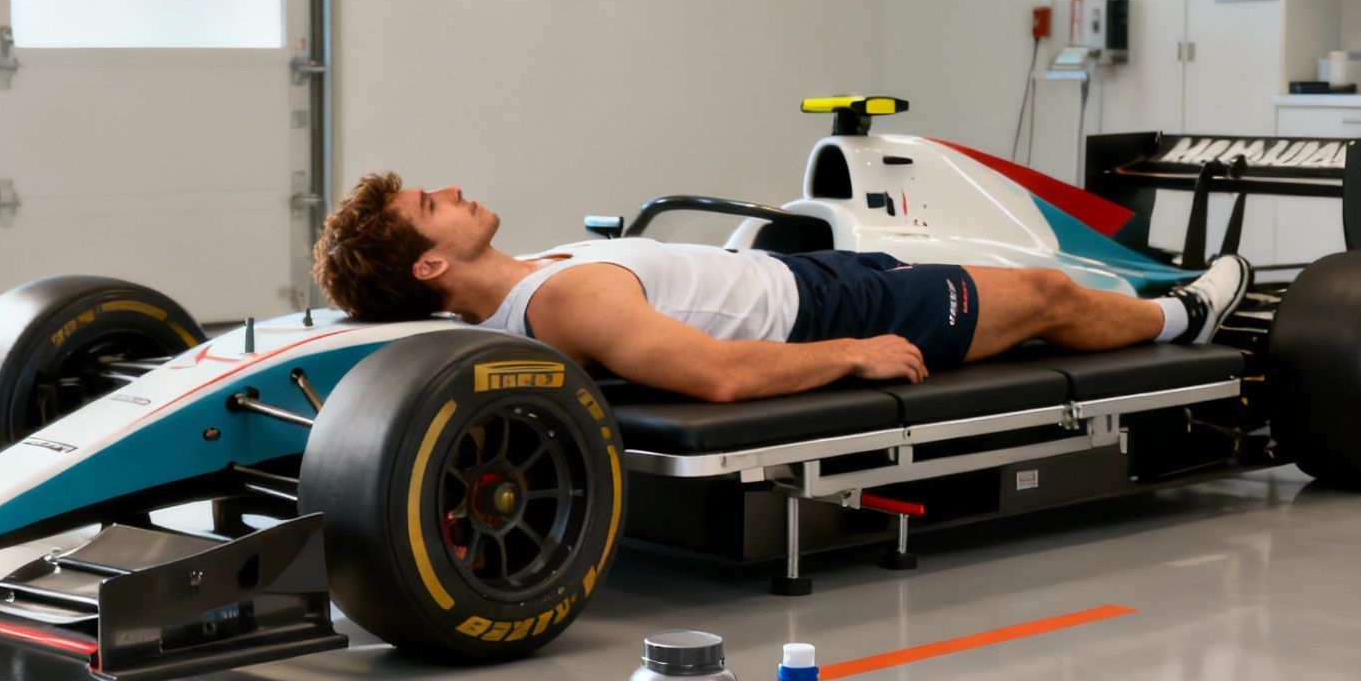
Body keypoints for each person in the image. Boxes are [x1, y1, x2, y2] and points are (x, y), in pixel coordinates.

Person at [312, 172, 1251, 403]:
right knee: (1044, 294)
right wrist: (851, 353)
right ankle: (1184, 316)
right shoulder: (567, 302)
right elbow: (717, 374)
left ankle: (1144, 308)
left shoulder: (543, 275)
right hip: (837, 313)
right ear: (430, 266)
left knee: (1024, 300)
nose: (453, 191)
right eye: (431, 204)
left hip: (809, 276)